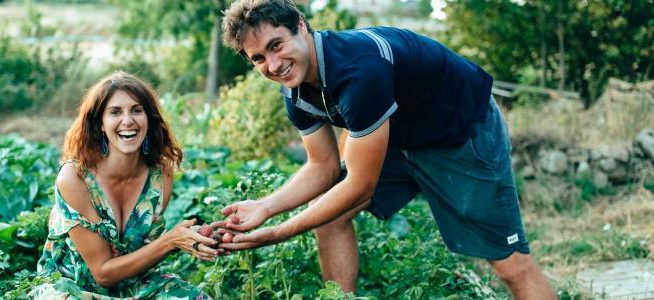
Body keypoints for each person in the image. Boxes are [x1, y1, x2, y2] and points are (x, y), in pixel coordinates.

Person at [213, 1, 556, 299]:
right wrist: (265, 206)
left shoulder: (358, 69)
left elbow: (360, 184)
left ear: (300, 26)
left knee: (511, 265)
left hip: (461, 135)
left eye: (277, 45)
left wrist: (277, 233)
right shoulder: (294, 89)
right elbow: (323, 166)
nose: (273, 65)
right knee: (328, 216)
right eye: (259, 58)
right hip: (400, 137)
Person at [30, 72, 217, 299]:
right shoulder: (75, 178)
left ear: (149, 119)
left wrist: (191, 237)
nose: (128, 120)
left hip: (132, 284)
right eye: (115, 112)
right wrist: (170, 241)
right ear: (100, 123)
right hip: (73, 287)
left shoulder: (161, 175)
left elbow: (142, 257)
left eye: (137, 110)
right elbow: (102, 273)